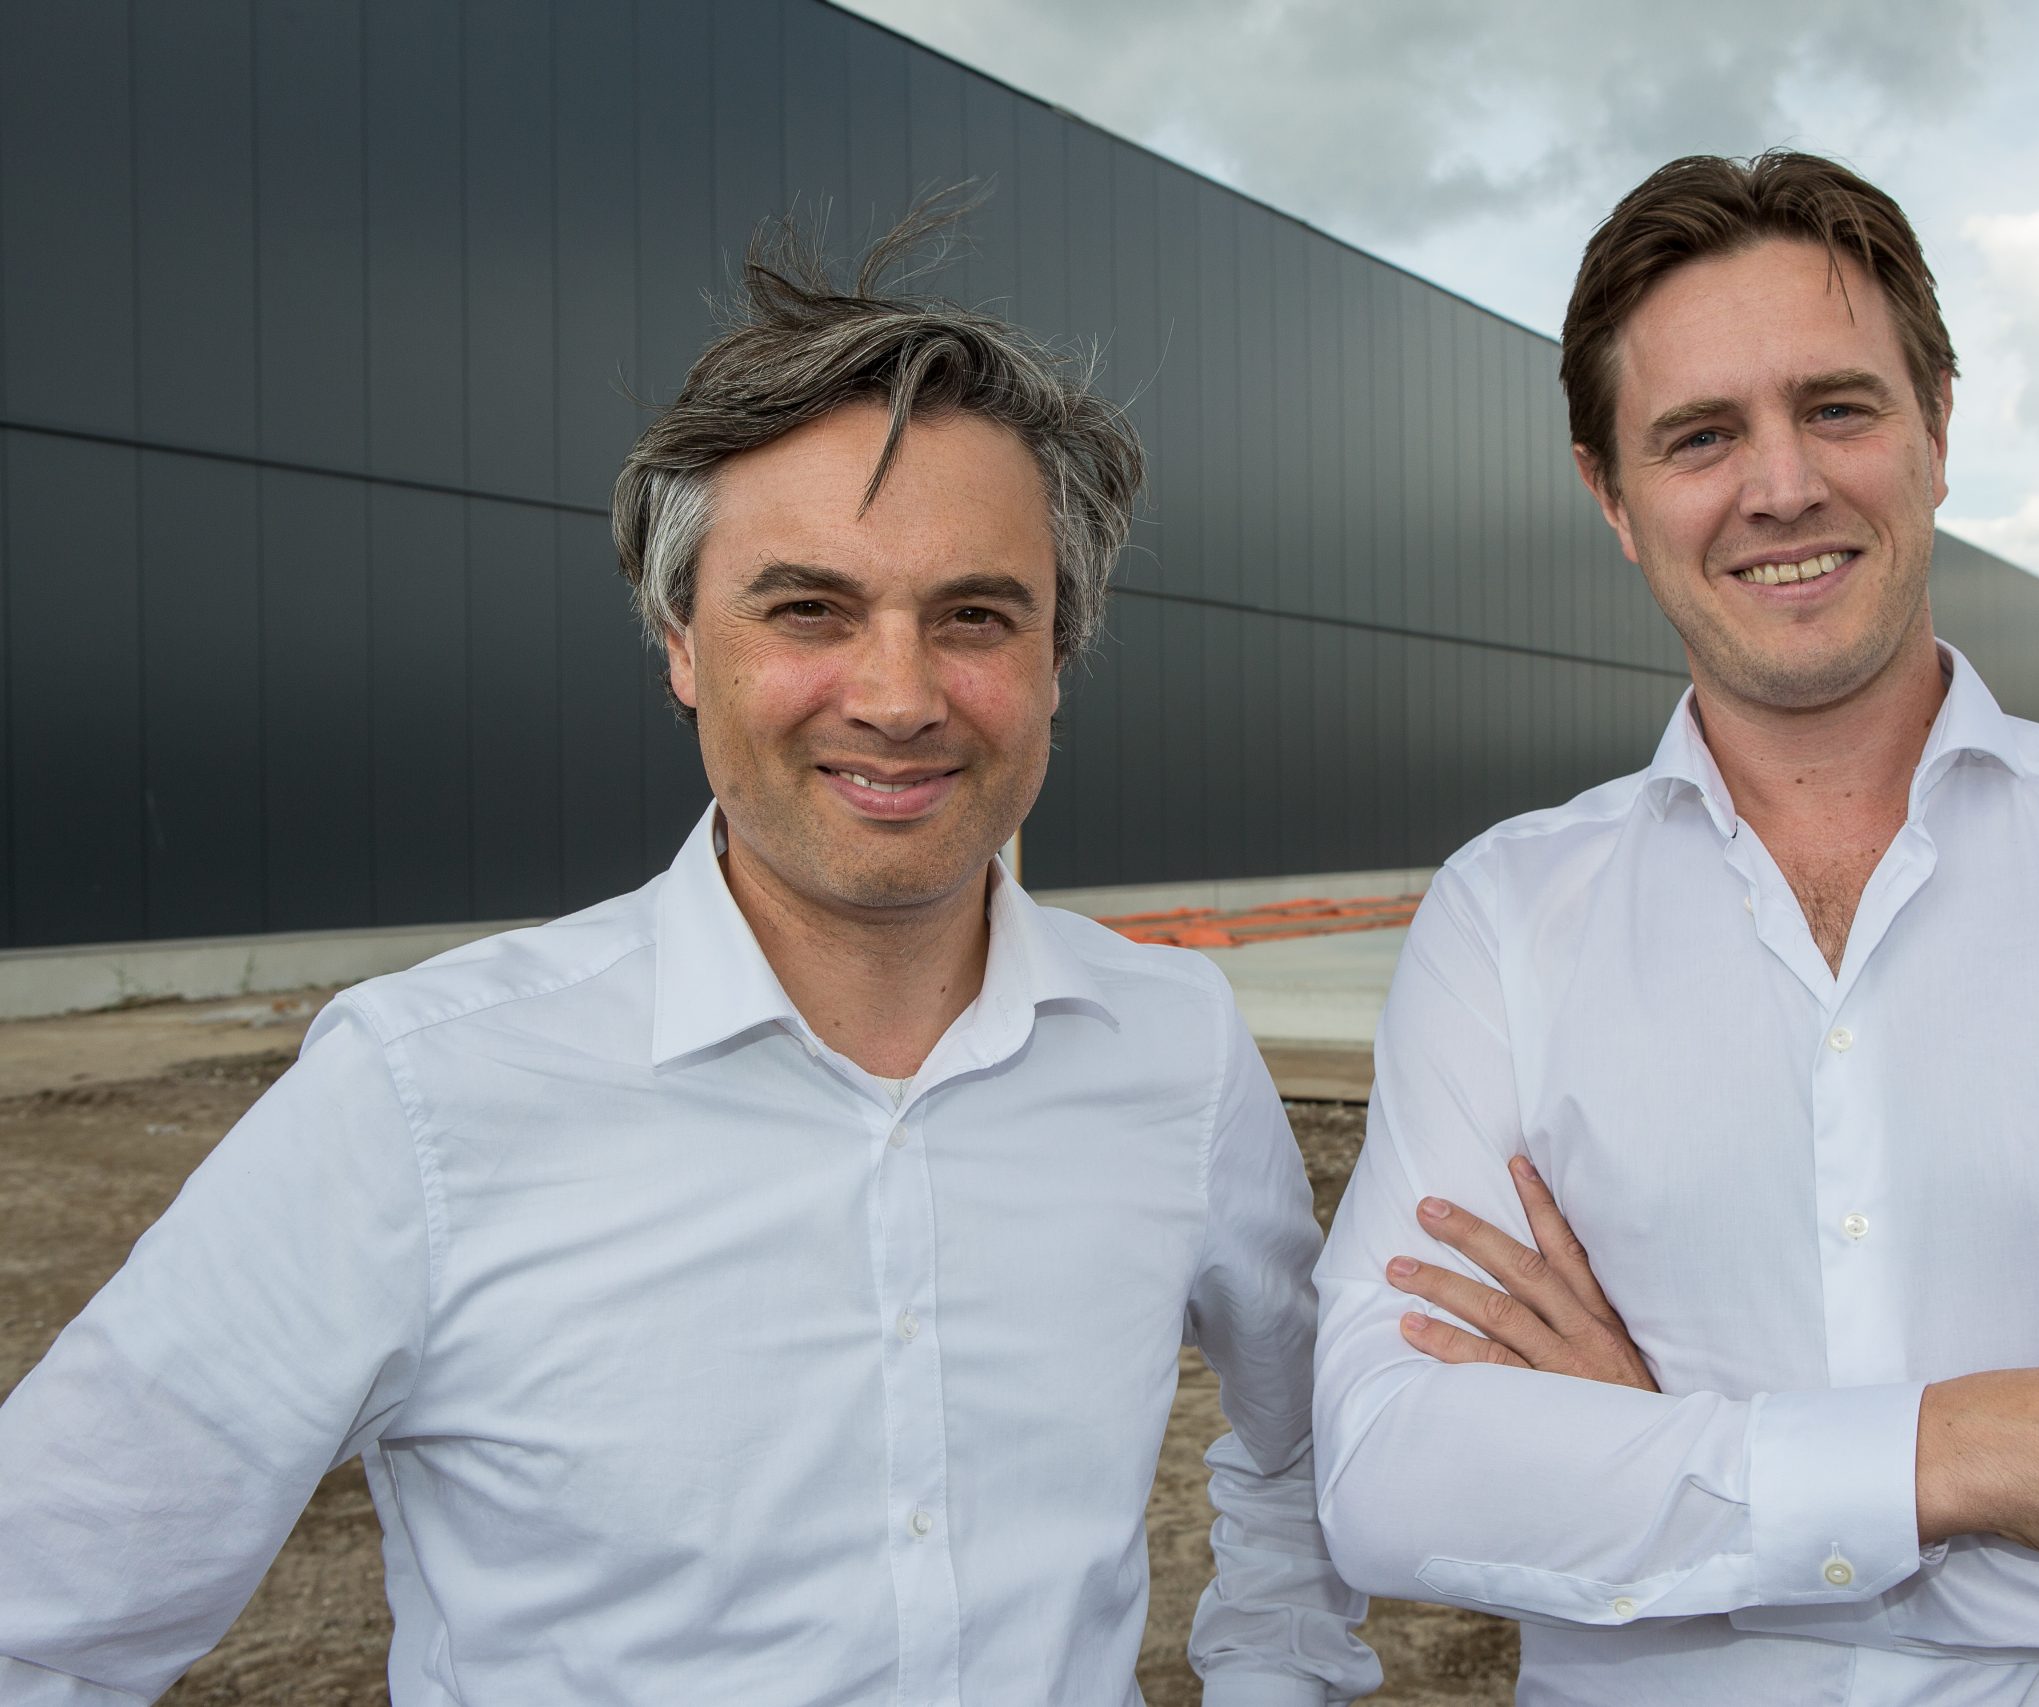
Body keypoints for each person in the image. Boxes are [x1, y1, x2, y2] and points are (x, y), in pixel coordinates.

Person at [0, 210, 1377, 1706]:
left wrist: (1278, 1679)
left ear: (1061, 655)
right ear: (677, 640)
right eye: (809, 609)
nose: (900, 696)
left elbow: (1306, 1444)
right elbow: (47, 1610)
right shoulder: (420, 1097)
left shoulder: (1172, 1044)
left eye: (975, 616)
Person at [1310, 152, 2039, 1707]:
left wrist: (1662, 1476)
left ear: (1939, 429)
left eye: (1836, 407)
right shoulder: (1502, 918)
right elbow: (1388, 1479)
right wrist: (1977, 1454)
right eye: (1701, 435)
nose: (1781, 485)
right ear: (1614, 500)